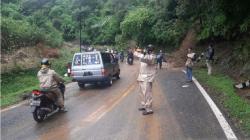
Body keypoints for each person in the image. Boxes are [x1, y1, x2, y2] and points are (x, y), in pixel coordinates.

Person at [137, 44, 157, 115]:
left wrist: (144, 54)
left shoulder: (153, 56)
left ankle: (149, 109)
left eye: (149, 49)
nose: (148, 50)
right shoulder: (145, 55)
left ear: (152, 50)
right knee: (142, 92)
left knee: (147, 93)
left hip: (148, 77)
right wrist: (140, 53)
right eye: (148, 48)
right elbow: (139, 57)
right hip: (142, 76)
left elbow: (147, 60)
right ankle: (144, 105)